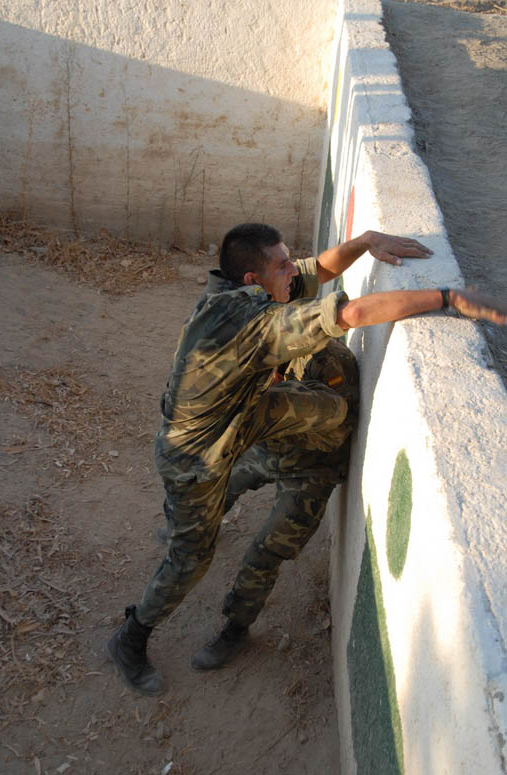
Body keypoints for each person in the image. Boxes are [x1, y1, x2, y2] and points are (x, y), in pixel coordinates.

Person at [106, 223, 507, 695]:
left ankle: (231, 617)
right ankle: (131, 638)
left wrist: (366, 242)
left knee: (326, 420)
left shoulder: (238, 294)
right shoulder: (255, 326)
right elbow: (352, 312)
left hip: (252, 429)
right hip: (200, 459)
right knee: (191, 558)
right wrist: (450, 298)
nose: (292, 272)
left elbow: (314, 270)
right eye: (281, 265)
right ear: (254, 278)